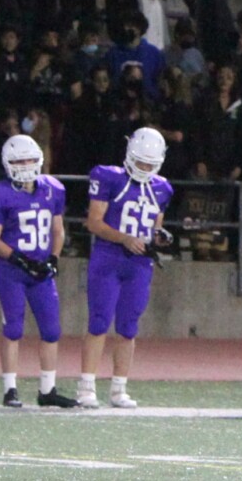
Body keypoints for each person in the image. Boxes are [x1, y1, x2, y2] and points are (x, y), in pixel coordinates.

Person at [77, 128, 175, 409]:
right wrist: (124, 238)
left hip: (139, 263)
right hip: (109, 256)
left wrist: (159, 237)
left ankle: (119, 388)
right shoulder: (108, 177)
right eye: (140, 161)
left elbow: (155, 227)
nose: (144, 167)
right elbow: (94, 222)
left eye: (149, 163)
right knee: (99, 321)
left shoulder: (162, 188)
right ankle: (86, 385)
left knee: (129, 326)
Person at [0, 135, 79, 409]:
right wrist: (22, 261)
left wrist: (54, 258)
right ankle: (10, 389)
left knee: (51, 330)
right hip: (10, 271)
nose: (25, 166)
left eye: (30, 160)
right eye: (19, 161)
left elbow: (58, 230)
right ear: (7, 164)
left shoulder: (52, 188)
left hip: (41, 273)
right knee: (13, 329)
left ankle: (47, 389)